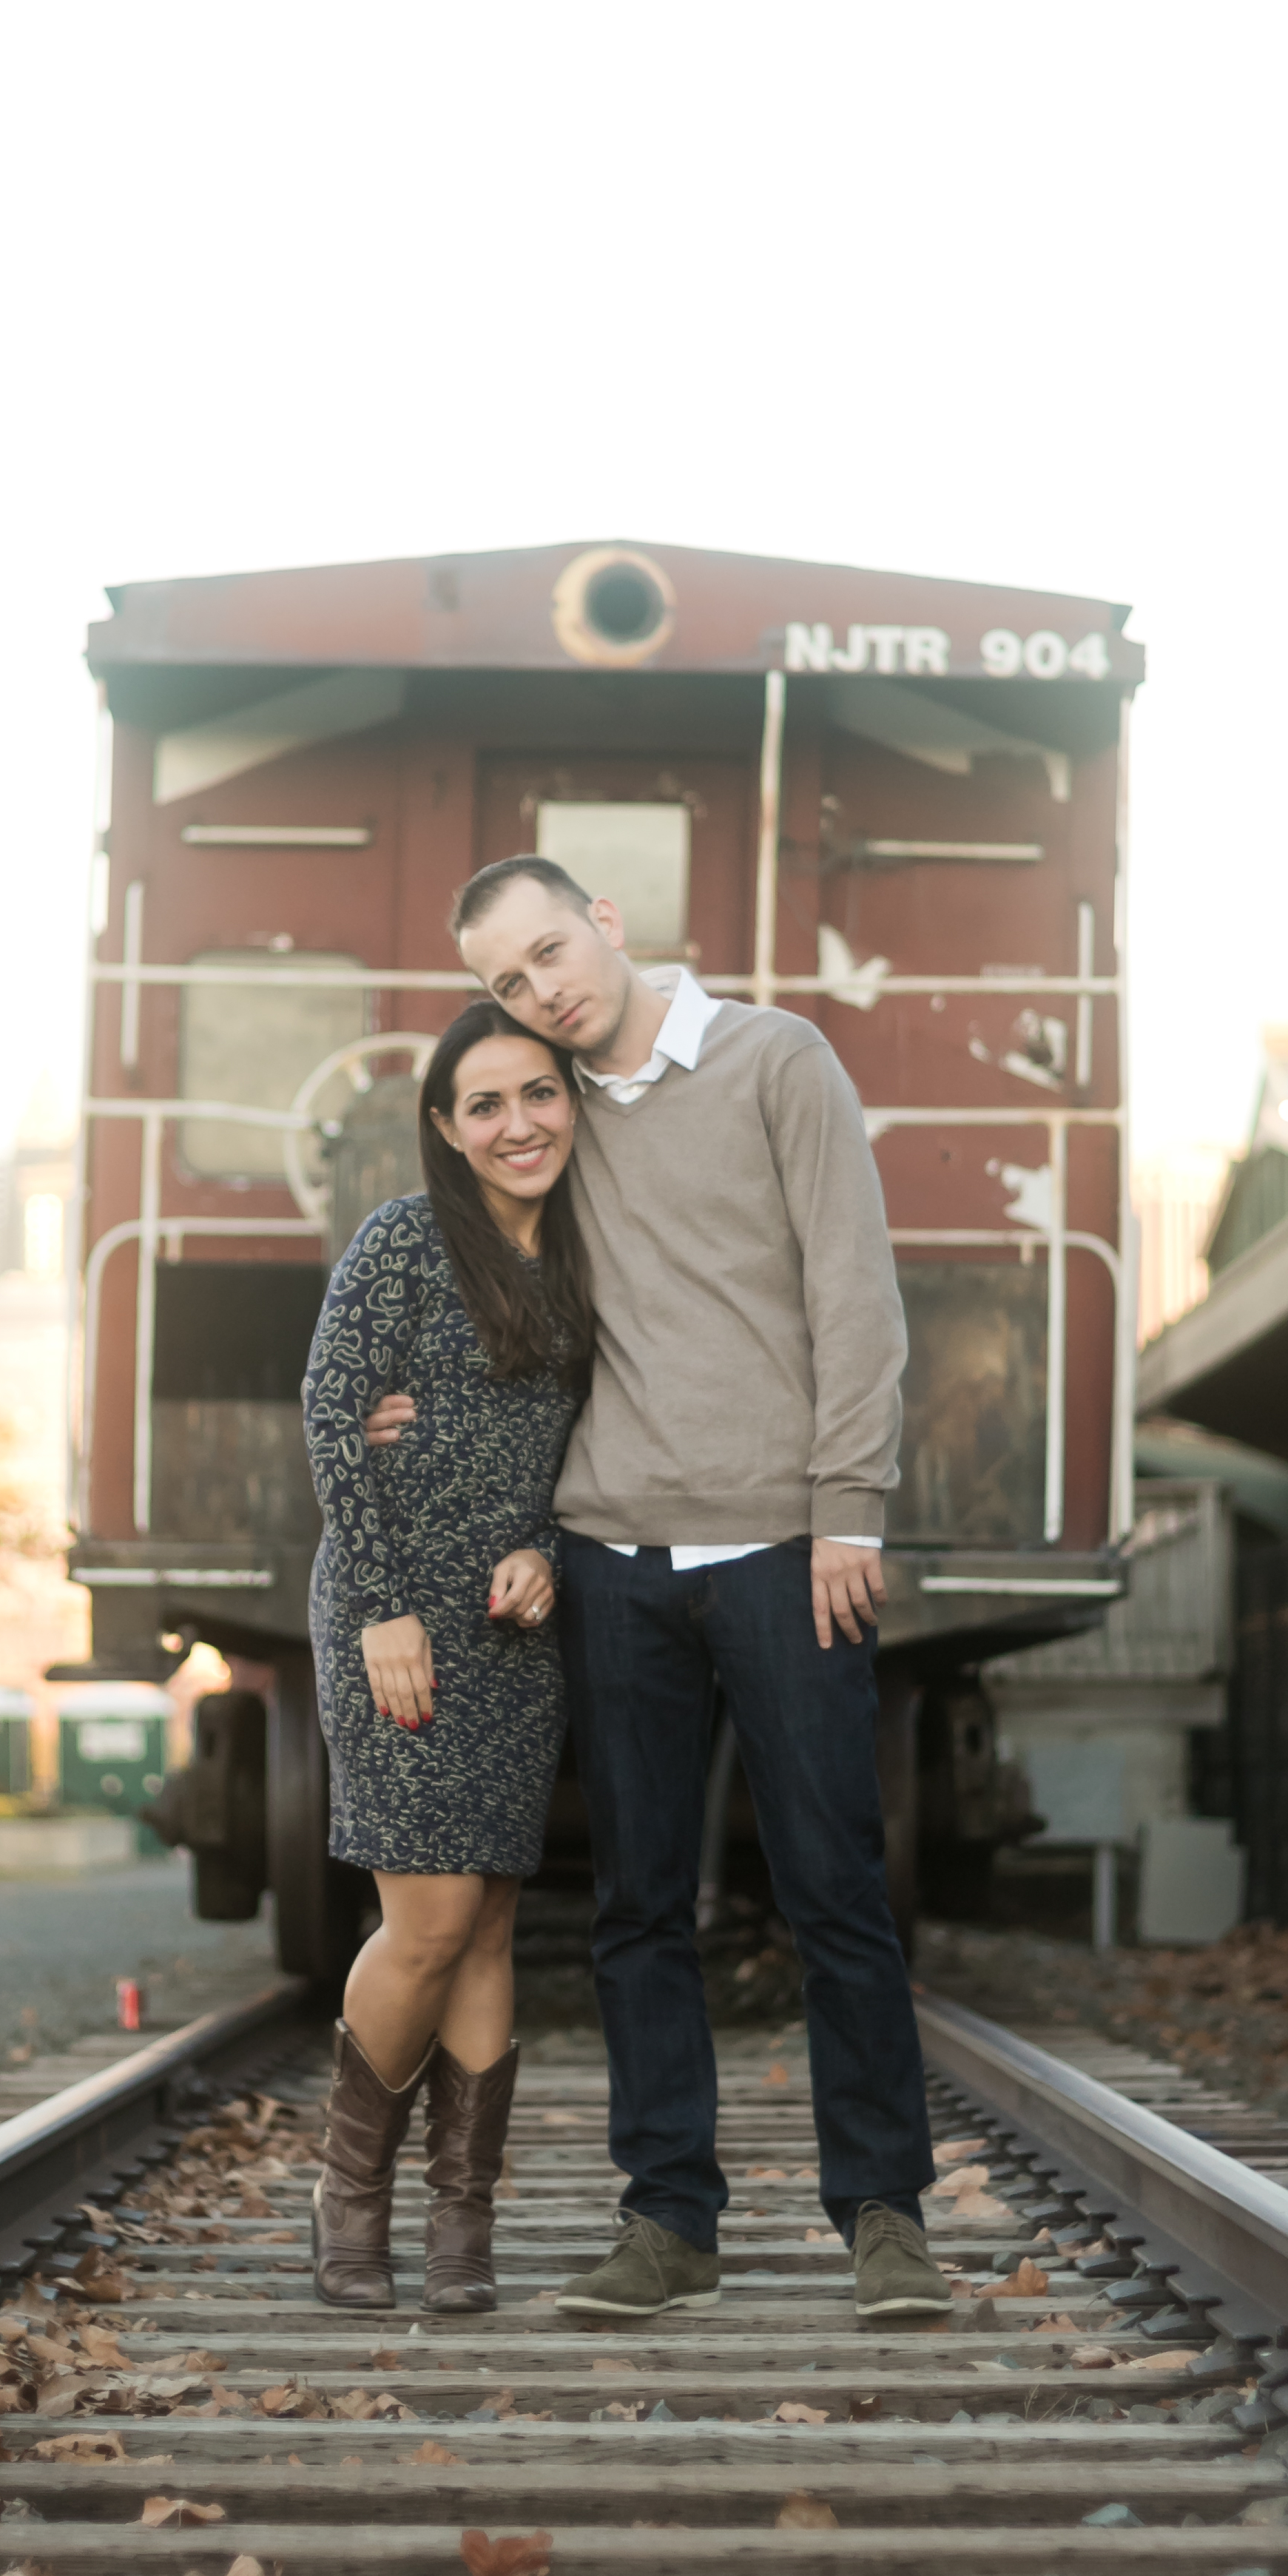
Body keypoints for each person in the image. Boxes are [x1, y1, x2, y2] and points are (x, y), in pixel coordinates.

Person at [365, 854, 948, 2325]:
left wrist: (849, 1509)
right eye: (508, 983)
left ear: (607, 925)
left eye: (552, 954)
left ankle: (885, 2217)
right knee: (636, 1908)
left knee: (833, 1891)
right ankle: (669, 2220)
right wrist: (393, 1404)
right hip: (610, 1559)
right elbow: (474, 1260)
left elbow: (854, 1291)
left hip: (781, 1549)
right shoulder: (548, 1114)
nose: (542, 993)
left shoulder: (777, 1060)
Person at [300, 999, 592, 2313]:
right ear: (447, 1126)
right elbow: (330, 1410)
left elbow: (608, 1452)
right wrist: (382, 1606)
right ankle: (349, 2195)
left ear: (571, 1104)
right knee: (426, 1921)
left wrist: (552, 1552)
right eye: (486, 1104)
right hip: (397, 1616)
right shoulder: (407, 1242)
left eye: (538, 1093)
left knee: (489, 1924)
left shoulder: (592, 1256)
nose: (517, 1123)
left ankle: (461, 2223)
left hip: (514, 1629)